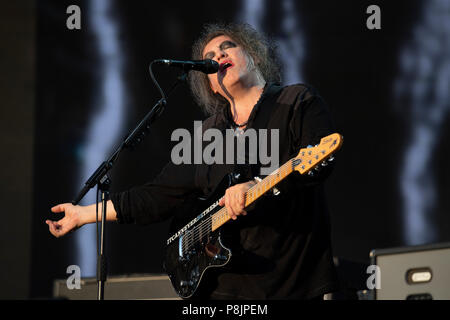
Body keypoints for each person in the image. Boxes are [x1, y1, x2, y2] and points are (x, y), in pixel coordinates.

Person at [47, 22, 339, 300]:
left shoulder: (296, 100)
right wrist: (83, 215)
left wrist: (258, 184)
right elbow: (156, 196)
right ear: (210, 83)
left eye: (228, 47)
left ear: (253, 57)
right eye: (209, 56)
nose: (219, 55)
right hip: (222, 288)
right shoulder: (206, 136)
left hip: (290, 282)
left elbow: (318, 163)